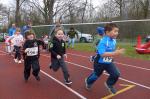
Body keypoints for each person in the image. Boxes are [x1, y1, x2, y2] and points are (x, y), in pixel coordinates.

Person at [85, 23, 125, 94]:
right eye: (115, 31)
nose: (117, 33)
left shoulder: (114, 40)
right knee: (96, 76)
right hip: (99, 63)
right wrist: (115, 53)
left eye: (117, 31)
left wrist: (115, 52)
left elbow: (111, 50)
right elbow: (102, 54)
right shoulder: (103, 41)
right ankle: (88, 81)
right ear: (107, 32)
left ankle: (109, 84)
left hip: (108, 62)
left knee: (116, 74)